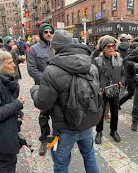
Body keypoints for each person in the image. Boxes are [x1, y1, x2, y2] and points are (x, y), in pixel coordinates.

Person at [29, 30, 99, 172]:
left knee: (61, 164)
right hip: (86, 122)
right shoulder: (91, 66)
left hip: (64, 127)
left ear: (54, 48)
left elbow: (43, 103)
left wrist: (35, 89)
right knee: (89, 156)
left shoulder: (51, 70)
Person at [0, 49, 25, 173]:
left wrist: (17, 113)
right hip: (0, 135)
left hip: (5, 131)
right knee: (6, 164)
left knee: (8, 162)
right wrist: (17, 104)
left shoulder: (1, 80)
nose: (14, 65)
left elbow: (4, 102)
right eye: (9, 63)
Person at [27, 23, 55, 156]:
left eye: (51, 32)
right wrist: (46, 80)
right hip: (43, 87)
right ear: (41, 34)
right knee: (44, 115)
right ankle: (44, 139)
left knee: (58, 114)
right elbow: (32, 70)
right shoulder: (34, 49)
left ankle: (54, 140)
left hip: (58, 88)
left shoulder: (56, 47)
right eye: (46, 32)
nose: (49, 34)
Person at [93, 35, 125, 144]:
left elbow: (123, 74)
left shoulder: (119, 59)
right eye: (108, 46)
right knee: (100, 113)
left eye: (113, 46)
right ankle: (99, 132)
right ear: (103, 48)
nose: (111, 48)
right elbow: (92, 76)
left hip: (115, 90)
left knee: (115, 112)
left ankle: (114, 130)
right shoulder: (97, 60)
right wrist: (97, 87)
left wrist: (122, 81)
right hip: (102, 91)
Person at [119, 41, 138, 110]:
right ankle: (118, 103)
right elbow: (129, 65)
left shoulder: (134, 53)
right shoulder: (131, 55)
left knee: (137, 91)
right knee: (131, 92)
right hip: (130, 76)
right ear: (135, 47)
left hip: (134, 76)